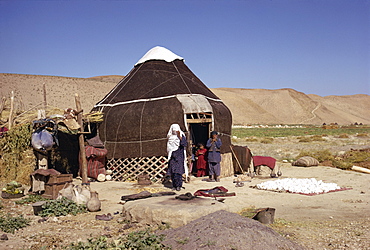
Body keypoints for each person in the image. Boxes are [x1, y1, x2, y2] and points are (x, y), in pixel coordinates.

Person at [166, 124, 187, 191]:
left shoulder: (181, 136)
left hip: (179, 156)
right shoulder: (170, 137)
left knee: (178, 172)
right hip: (172, 156)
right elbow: (169, 147)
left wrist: (179, 135)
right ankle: (174, 185)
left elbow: (184, 144)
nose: (175, 131)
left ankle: (179, 185)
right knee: (173, 172)